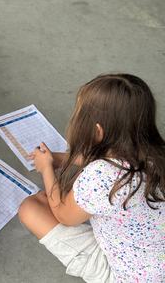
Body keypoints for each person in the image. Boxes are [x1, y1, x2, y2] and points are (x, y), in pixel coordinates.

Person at [18, 74, 165, 282]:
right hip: (155, 261)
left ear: (98, 130)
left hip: (129, 277)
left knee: (32, 208)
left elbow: (63, 216)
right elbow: (114, 155)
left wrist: (46, 169)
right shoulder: (153, 153)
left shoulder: (99, 177)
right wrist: (62, 158)